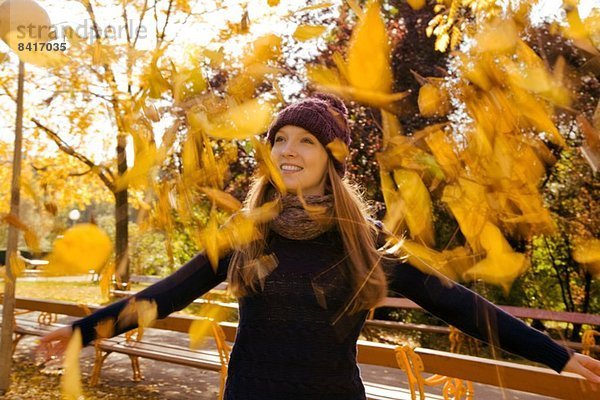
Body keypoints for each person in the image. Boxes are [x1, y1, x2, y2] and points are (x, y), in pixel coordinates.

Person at [40, 94, 600, 399]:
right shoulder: (245, 231)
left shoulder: (366, 244)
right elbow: (167, 294)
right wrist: (83, 332)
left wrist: (559, 355)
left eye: (305, 140)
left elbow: (460, 305)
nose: (288, 149)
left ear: (331, 157)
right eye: (279, 139)